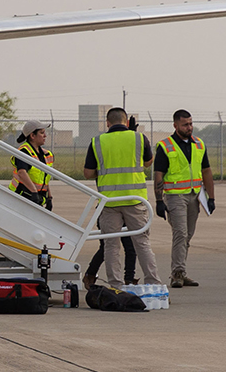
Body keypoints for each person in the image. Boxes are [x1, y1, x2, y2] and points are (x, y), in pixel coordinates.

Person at [83, 107, 155, 288]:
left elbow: (88, 173)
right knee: (142, 244)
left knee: (111, 246)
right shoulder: (139, 138)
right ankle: (153, 283)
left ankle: (115, 286)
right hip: (135, 200)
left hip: (109, 202)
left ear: (107, 123)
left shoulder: (97, 142)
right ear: (126, 121)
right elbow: (147, 162)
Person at [152, 110, 214, 289]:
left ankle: (181, 271)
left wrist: (211, 197)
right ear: (175, 125)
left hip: (194, 195)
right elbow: (159, 175)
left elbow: (206, 171)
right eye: (185, 124)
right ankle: (177, 274)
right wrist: (159, 201)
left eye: (191, 124)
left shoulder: (199, 144)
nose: (189, 127)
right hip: (174, 196)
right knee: (180, 233)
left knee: (188, 235)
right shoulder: (165, 146)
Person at [12, 124, 55, 209]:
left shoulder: (46, 154)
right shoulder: (24, 151)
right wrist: (34, 192)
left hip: (36, 199)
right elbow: (21, 172)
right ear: (32, 136)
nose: (45, 136)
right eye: (42, 133)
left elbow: (44, 178)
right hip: (21, 197)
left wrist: (49, 197)